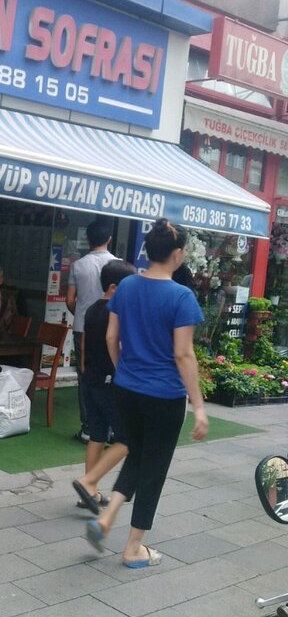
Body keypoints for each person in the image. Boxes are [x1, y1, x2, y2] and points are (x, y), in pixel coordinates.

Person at [84, 218, 209, 567]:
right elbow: (183, 354)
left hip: (126, 387)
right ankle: (133, 548)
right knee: (153, 466)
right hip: (164, 395)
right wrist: (199, 407)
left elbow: (112, 338)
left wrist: (124, 368)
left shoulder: (126, 287)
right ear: (178, 254)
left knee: (137, 455)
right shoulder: (181, 297)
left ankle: (107, 518)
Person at [71, 259, 137, 514]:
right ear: (113, 286)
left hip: (91, 380)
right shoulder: (116, 311)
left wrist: (86, 372)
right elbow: (117, 343)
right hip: (111, 382)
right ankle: (87, 482)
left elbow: (85, 344)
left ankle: (89, 492)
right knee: (126, 438)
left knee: (97, 435)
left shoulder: (90, 309)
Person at [66, 218, 116, 443]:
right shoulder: (118, 265)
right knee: (111, 375)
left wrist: (83, 314)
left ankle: (88, 427)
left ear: (87, 239)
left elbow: (69, 300)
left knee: (85, 376)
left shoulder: (78, 265)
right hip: (112, 327)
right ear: (109, 239)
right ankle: (112, 426)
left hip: (83, 327)